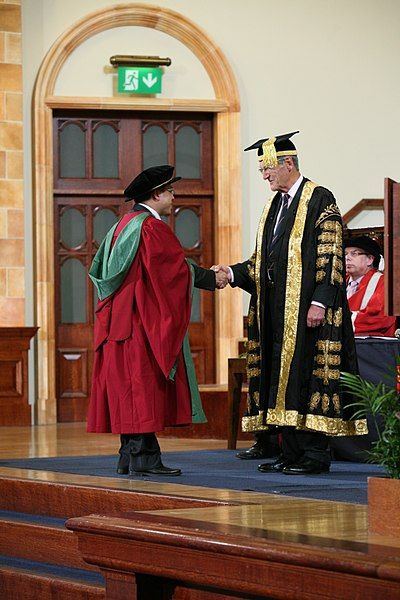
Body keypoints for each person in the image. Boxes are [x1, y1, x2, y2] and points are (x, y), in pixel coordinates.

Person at [215, 131, 367, 475]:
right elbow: (262, 261)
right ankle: (290, 452)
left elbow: (331, 256)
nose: (264, 175)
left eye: (267, 168)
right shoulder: (275, 206)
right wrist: (230, 272)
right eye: (261, 170)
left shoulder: (319, 198)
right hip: (276, 311)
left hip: (309, 311)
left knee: (309, 379)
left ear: (287, 164)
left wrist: (319, 303)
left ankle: (314, 454)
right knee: (281, 378)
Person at [87, 165, 228, 476]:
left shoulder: (121, 225)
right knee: (141, 388)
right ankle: (144, 460)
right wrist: (210, 277)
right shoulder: (151, 228)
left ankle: (130, 455)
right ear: (156, 195)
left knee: (131, 389)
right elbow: (171, 271)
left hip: (119, 323)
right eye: (170, 191)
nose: (174, 197)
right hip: (139, 323)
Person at [345, 235, 396, 337]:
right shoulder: (338, 282)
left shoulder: (385, 283)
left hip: (371, 347)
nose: (347, 258)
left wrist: (338, 323)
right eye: (345, 254)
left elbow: (381, 319)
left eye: (354, 254)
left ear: (370, 259)